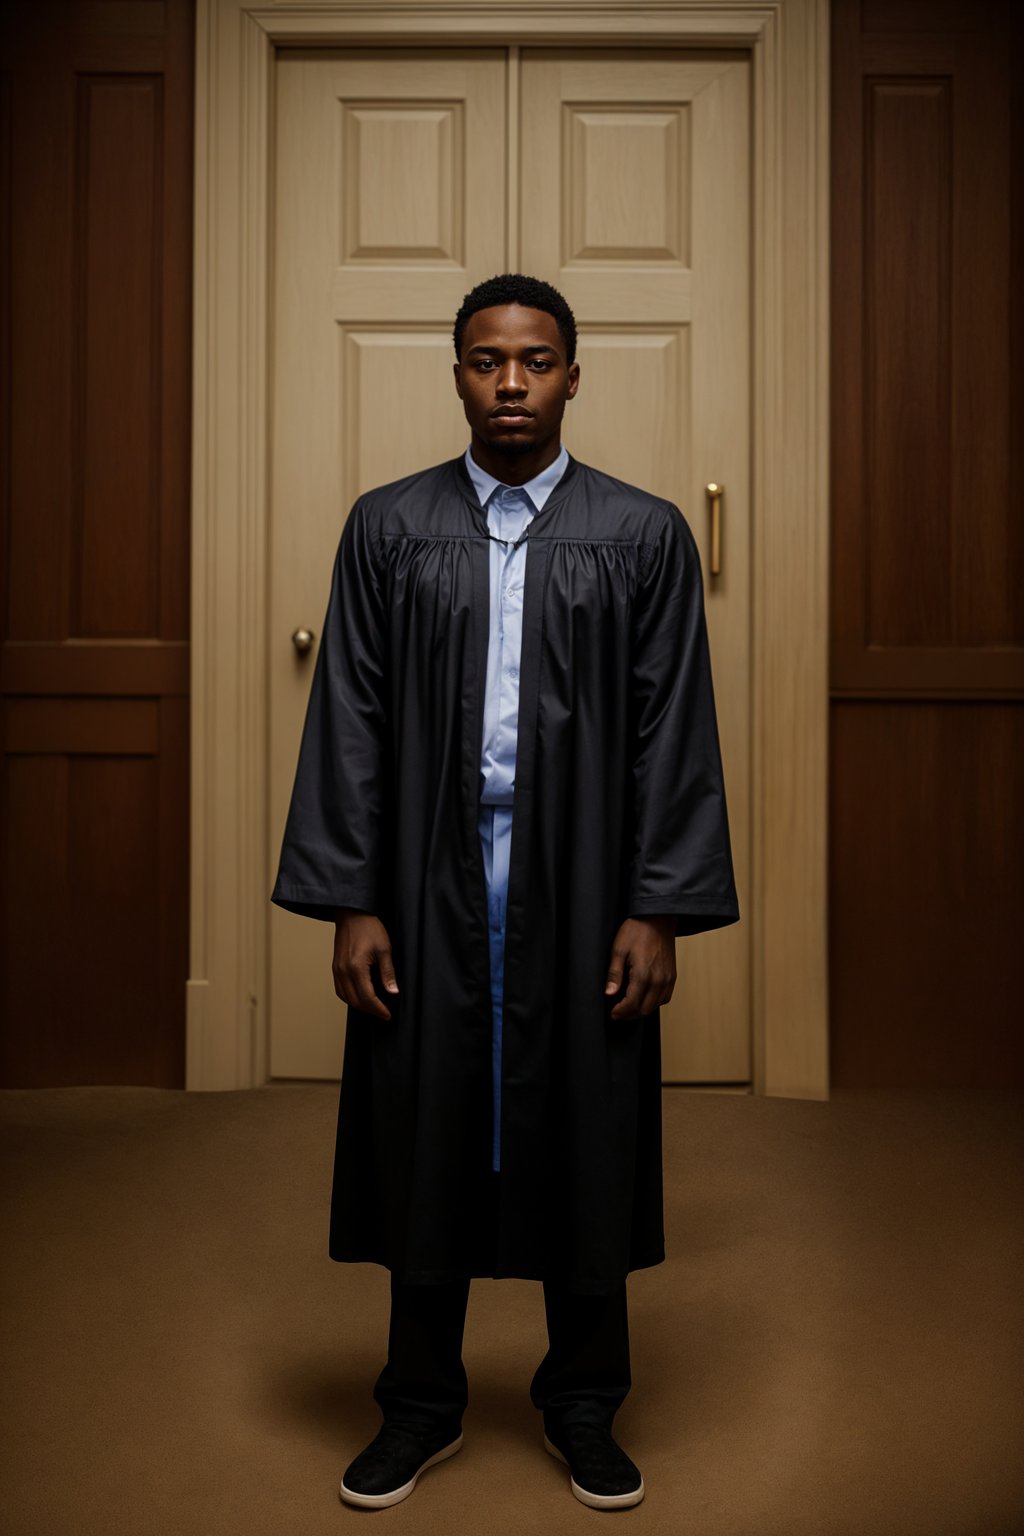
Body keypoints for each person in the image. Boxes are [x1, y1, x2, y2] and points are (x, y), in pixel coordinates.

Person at [271, 273, 739, 1511]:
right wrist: (352, 899)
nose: (513, 383)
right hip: (427, 870)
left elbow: (670, 731)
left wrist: (657, 905)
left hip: (583, 871)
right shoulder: (388, 527)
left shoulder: (640, 534)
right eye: (487, 361)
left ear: (574, 375)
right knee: (420, 1114)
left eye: (536, 361)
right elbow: (352, 721)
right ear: (459, 374)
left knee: (586, 1114)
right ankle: (418, 1400)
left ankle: (583, 1400)